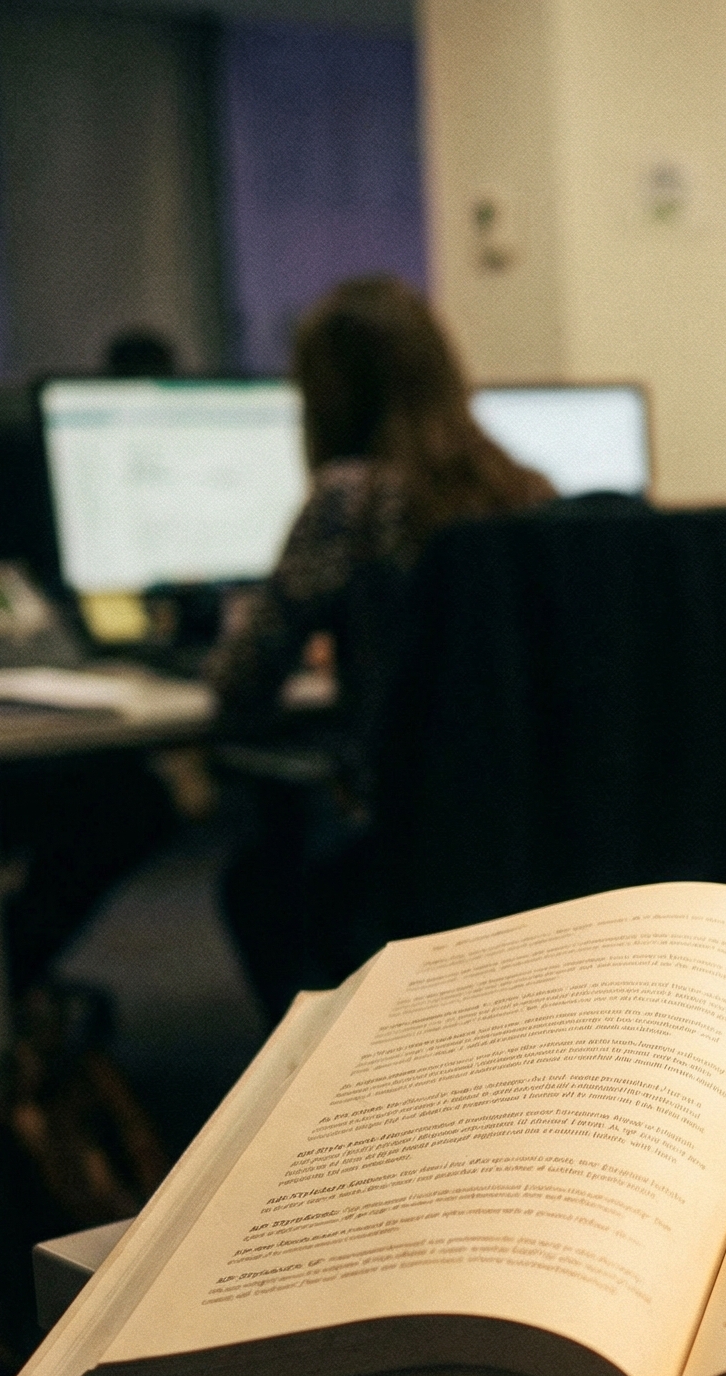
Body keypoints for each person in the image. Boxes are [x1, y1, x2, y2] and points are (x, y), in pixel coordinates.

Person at [212, 274, 555, 1011]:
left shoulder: (349, 500)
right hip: (532, 840)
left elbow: (242, 685)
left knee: (253, 882)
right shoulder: (525, 489)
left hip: (408, 849)